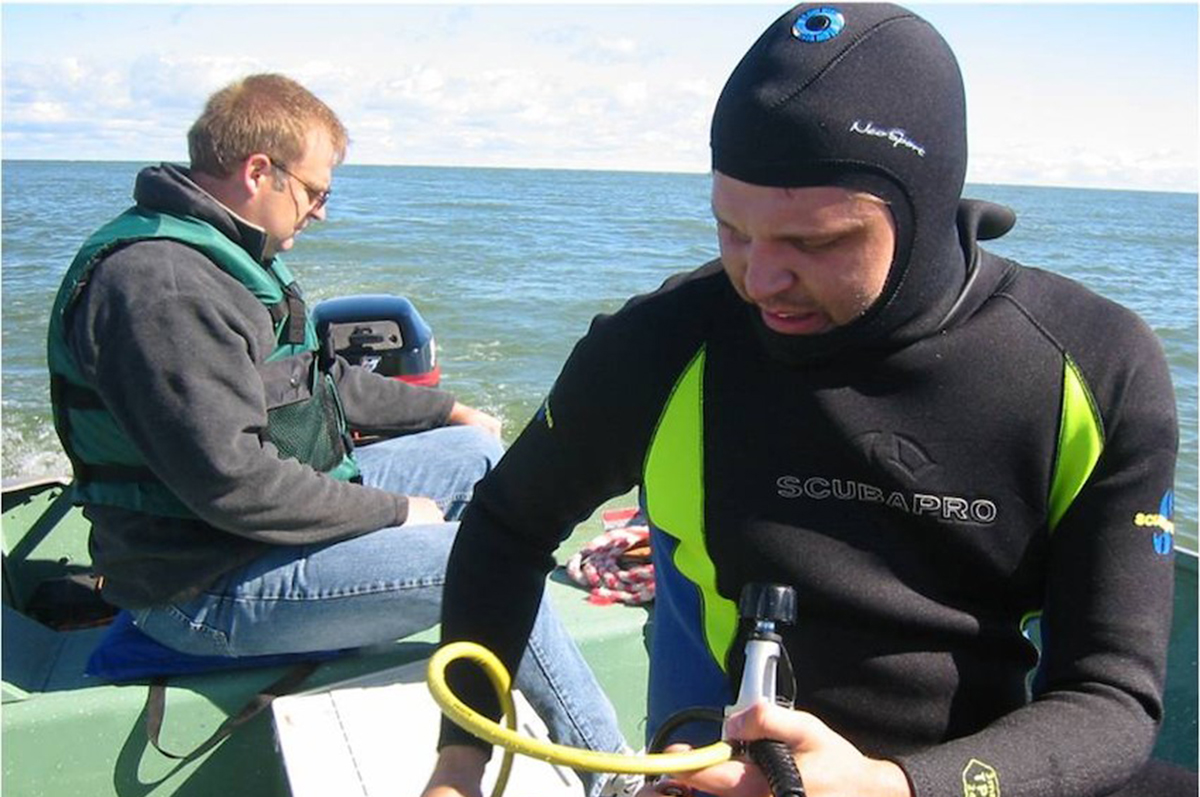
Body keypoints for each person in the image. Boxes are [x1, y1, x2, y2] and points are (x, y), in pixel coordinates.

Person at [428, 5, 1194, 797]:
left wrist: (892, 786)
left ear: (922, 209)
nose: (760, 280)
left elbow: (1111, 697)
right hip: (726, 772)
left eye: (817, 241)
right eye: (733, 229)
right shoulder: (665, 343)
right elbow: (507, 526)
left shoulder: (1090, 367)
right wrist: (458, 764)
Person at [47, 73, 631, 797]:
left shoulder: (222, 253)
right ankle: (614, 776)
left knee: (479, 456)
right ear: (258, 171)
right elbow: (235, 484)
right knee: (486, 564)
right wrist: (396, 512)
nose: (322, 211)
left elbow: (319, 382)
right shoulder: (162, 288)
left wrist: (448, 410)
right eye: (315, 191)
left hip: (255, 538)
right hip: (199, 586)